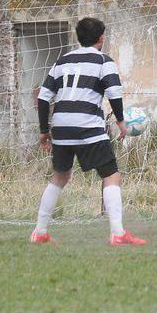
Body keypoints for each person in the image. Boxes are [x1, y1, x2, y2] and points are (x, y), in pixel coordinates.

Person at [30, 17, 146, 245]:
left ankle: (39, 232)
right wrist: (121, 122)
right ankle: (118, 233)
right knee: (111, 175)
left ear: (78, 37)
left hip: (61, 125)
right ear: (101, 37)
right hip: (87, 124)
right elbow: (114, 93)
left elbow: (43, 98)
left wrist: (44, 131)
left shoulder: (62, 61)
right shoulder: (104, 61)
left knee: (59, 177)